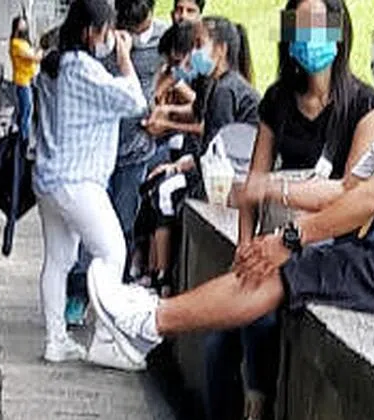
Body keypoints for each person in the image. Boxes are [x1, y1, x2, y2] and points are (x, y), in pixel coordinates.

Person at [87, 0, 374, 377]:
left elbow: (367, 201)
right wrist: (270, 213)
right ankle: (152, 317)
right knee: (272, 271)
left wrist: (291, 238)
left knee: (284, 272)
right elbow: (345, 189)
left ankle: (149, 323)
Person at [189, 0, 374, 420]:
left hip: (322, 249)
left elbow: (351, 193)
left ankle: (259, 418)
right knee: (216, 345)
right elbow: (251, 186)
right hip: (270, 239)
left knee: (260, 313)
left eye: (317, 25)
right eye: (298, 26)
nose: (308, 37)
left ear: (339, 32)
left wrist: (279, 190)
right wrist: (244, 243)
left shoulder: (366, 106)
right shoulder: (278, 99)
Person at [33, 0, 148, 369]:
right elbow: (135, 102)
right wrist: (125, 58)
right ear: (90, 32)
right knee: (113, 252)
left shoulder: (52, 64)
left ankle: (56, 341)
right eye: (106, 31)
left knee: (58, 260)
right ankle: (104, 340)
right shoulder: (81, 68)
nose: (110, 38)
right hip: (79, 181)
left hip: (48, 179)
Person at [64, 0, 169, 326]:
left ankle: (110, 301)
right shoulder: (102, 38)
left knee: (122, 225)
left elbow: (180, 73)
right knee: (87, 229)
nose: (131, 35)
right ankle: (78, 294)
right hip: (96, 155)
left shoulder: (162, 39)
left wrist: (162, 111)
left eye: (139, 29)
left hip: (135, 152)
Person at [140, 16, 258, 293]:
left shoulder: (226, 91)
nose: (194, 53)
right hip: (223, 171)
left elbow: (217, 149)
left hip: (230, 178)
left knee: (168, 194)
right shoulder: (219, 85)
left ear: (221, 49)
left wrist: (180, 166)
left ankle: (164, 279)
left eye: (199, 45)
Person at [9, 16, 43, 146]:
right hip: (22, 82)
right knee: (26, 113)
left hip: (28, 81)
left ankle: (22, 140)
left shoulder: (24, 43)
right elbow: (34, 57)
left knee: (26, 112)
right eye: (22, 25)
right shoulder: (16, 44)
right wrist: (40, 51)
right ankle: (24, 142)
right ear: (16, 28)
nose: (25, 27)